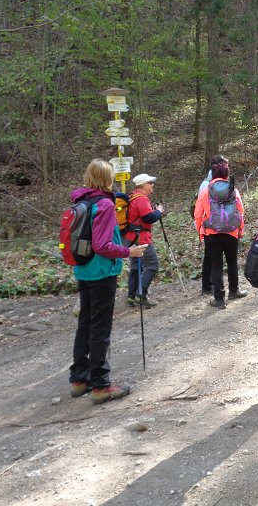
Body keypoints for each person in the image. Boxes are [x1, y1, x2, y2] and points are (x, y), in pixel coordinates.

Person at [69, 159, 146, 405]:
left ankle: (79, 379)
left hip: (83, 269)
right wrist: (130, 252)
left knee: (85, 324)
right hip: (101, 272)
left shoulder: (80, 201)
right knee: (100, 327)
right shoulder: (102, 204)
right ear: (107, 179)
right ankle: (101, 385)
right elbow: (103, 245)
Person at [194, 157, 247, 309]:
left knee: (216, 264)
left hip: (211, 233)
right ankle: (234, 291)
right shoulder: (233, 189)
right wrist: (240, 230)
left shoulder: (205, 191)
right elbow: (240, 212)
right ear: (226, 174)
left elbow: (198, 214)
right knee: (232, 262)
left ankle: (219, 299)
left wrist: (200, 231)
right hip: (231, 232)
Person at [124, 174, 165, 308]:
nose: (152, 185)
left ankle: (131, 297)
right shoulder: (141, 199)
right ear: (143, 185)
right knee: (152, 265)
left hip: (130, 238)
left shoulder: (132, 196)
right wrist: (159, 211)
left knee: (136, 267)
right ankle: (141, 295)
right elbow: (149, 217)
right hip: (141, 238)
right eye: (150, 183)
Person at [196, 155, 228, 295]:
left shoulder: (212, 182)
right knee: (210, 257)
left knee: (210, 256)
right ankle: (207, 285)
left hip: (215, 225)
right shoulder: (207, 185)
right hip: (210, 226)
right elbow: (200, 209)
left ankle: (210, 284)